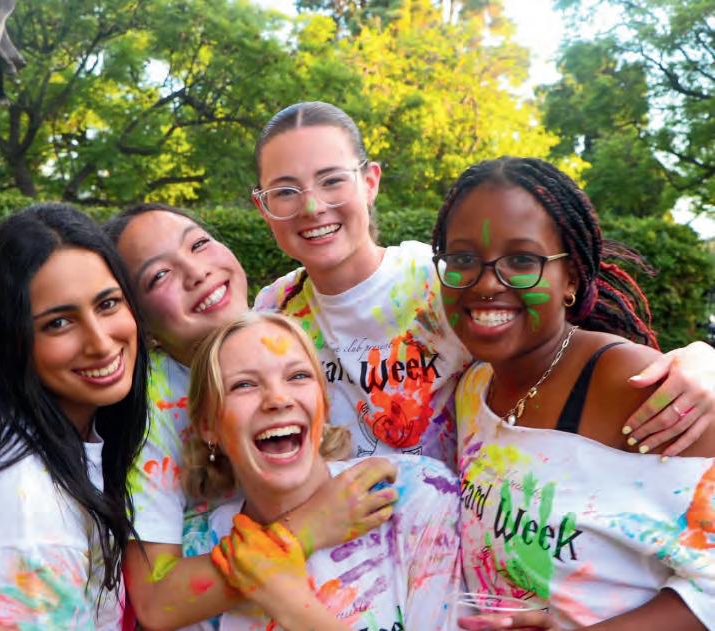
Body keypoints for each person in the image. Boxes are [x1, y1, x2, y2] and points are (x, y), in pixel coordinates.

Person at [252, 101, 715, 463]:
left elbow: (566, 347)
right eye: (286, 191)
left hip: (463, 535)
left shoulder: (444, 280)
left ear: (370, 182)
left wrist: (700, 361)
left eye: (332, 180)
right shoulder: (274, 312)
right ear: (262, 206)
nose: (312, 207)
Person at [429, 157, 714, 629]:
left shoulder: (637, 387)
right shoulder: (474, 387)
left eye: (523, 260)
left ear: (572, 279)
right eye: (462, 259)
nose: (486, 282)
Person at [105, 205, 397, 630]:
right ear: (140, 324)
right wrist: (311, 526)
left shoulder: (291, 311)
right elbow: (157, 602)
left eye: (199, 244)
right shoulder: (148, 410)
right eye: (159, 275)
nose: (197, 272)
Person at [184, 311, 461, 630]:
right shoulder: (198, 548)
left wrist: (288, 604)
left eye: (298, 376)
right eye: (244, 384)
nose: (278, 399)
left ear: (324, 403)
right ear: (207, 426)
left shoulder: (413, 494)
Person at [0, 204, 149, 629]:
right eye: (58, 323)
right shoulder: (27, 513)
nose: (101, 342)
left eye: (108, 303)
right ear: (10, 341)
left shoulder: (56, 441)